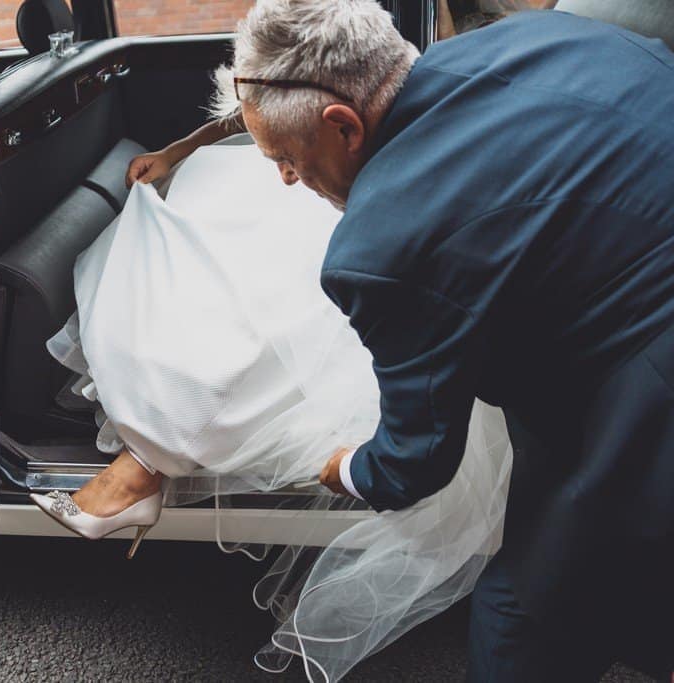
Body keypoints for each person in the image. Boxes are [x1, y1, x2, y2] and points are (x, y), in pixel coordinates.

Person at [40, 0, 674, 679]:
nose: (285, 177)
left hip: (646, 381)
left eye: (286, 157)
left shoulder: (381, 250)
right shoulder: (534, 36)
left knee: (519, 621)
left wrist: (345, 467)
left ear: (342, 125)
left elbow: (417, 460)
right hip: (620, 278)